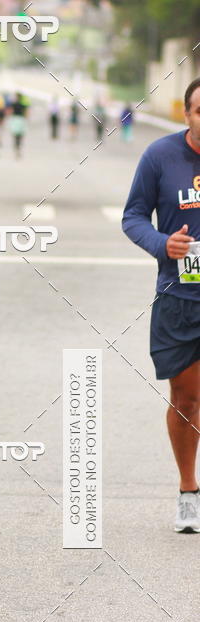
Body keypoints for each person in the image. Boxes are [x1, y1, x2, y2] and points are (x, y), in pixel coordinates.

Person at [122, 77, 200, 532]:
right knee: (187, 399)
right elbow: (133, 215)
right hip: (180, 298)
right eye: (198, 110)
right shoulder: (160, 157)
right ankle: (189, 488)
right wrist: (160, 243)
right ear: (186, 114)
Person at [8, 93, 28, 159]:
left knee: (15, 134)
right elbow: (26, 113)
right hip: (20, 119)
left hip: (15, 119)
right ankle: (18, 146)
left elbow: (10, 111)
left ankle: (16, 146)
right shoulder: (23, 105)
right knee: (20, 134)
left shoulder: (13, 104)